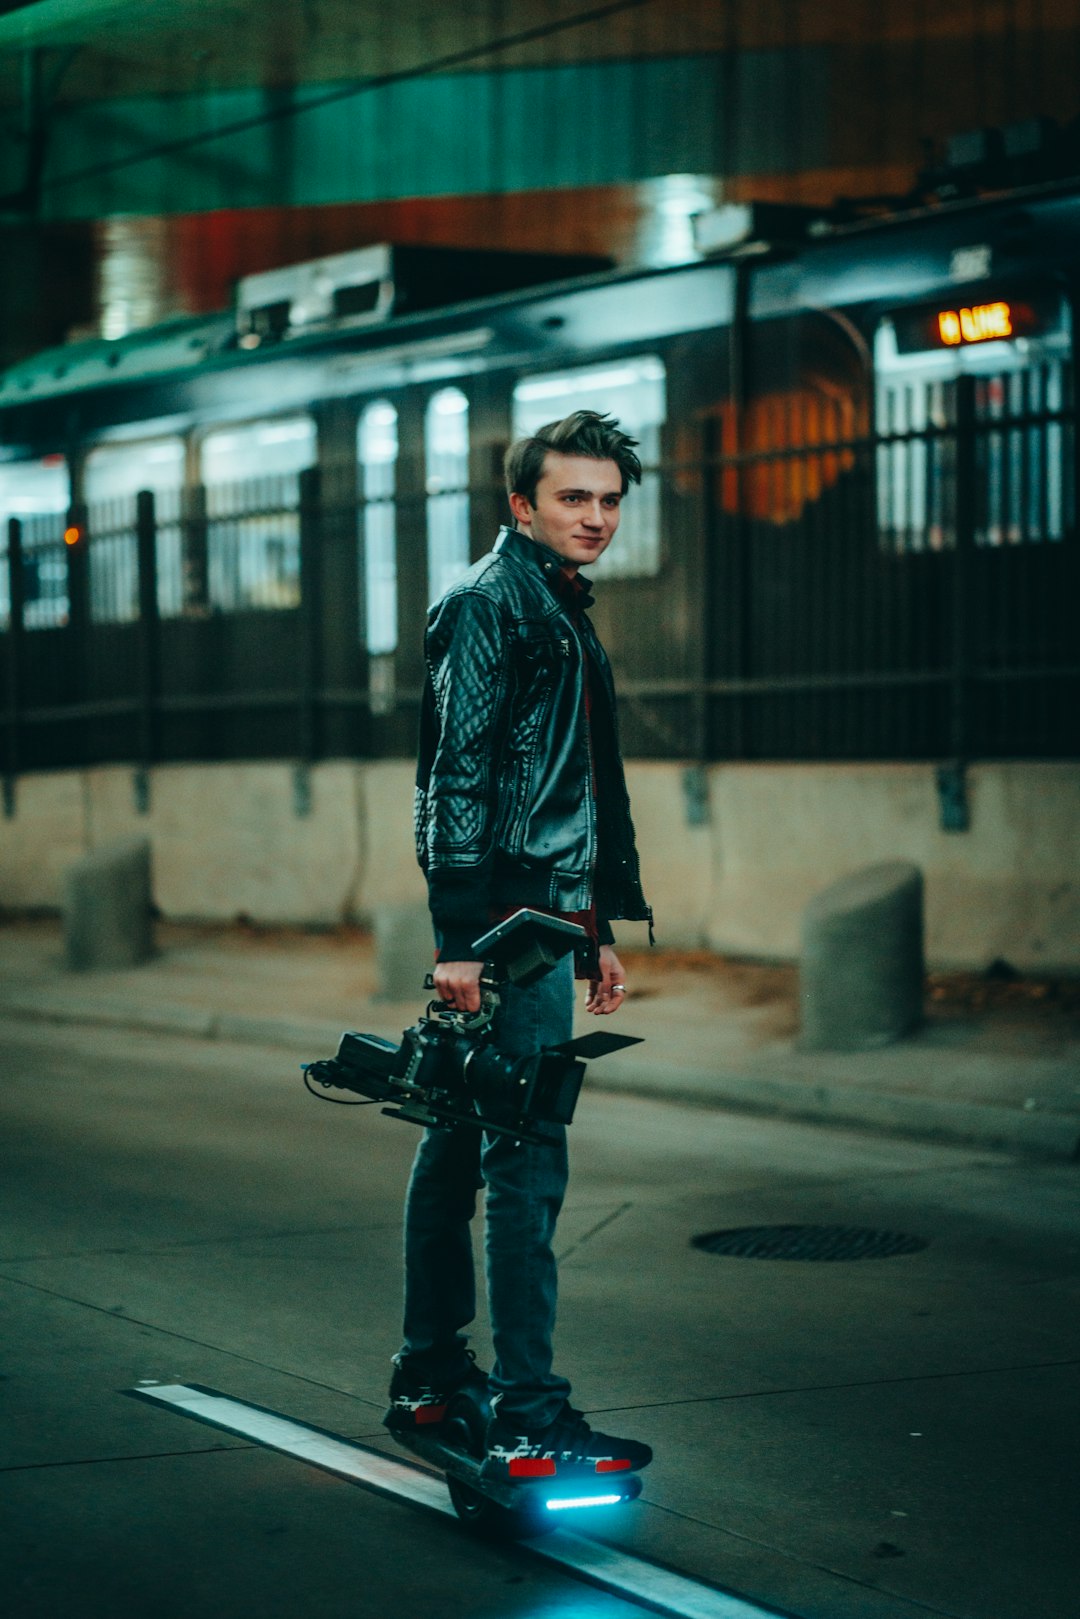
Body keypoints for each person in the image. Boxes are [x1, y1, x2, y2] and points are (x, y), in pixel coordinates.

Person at [385, 409, 654, 1479]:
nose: (595, 517)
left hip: (545, 925)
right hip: (506, 935)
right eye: (573, 497)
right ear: (521, 503)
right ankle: (532, 1413)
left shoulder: (556, 607)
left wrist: (596, 933)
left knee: (461, 1139)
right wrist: (462, 938)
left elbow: (571, 789)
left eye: (609, 500)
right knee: (525, 1162)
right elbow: (454, 778)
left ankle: (431, 1373)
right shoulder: (490, 604)